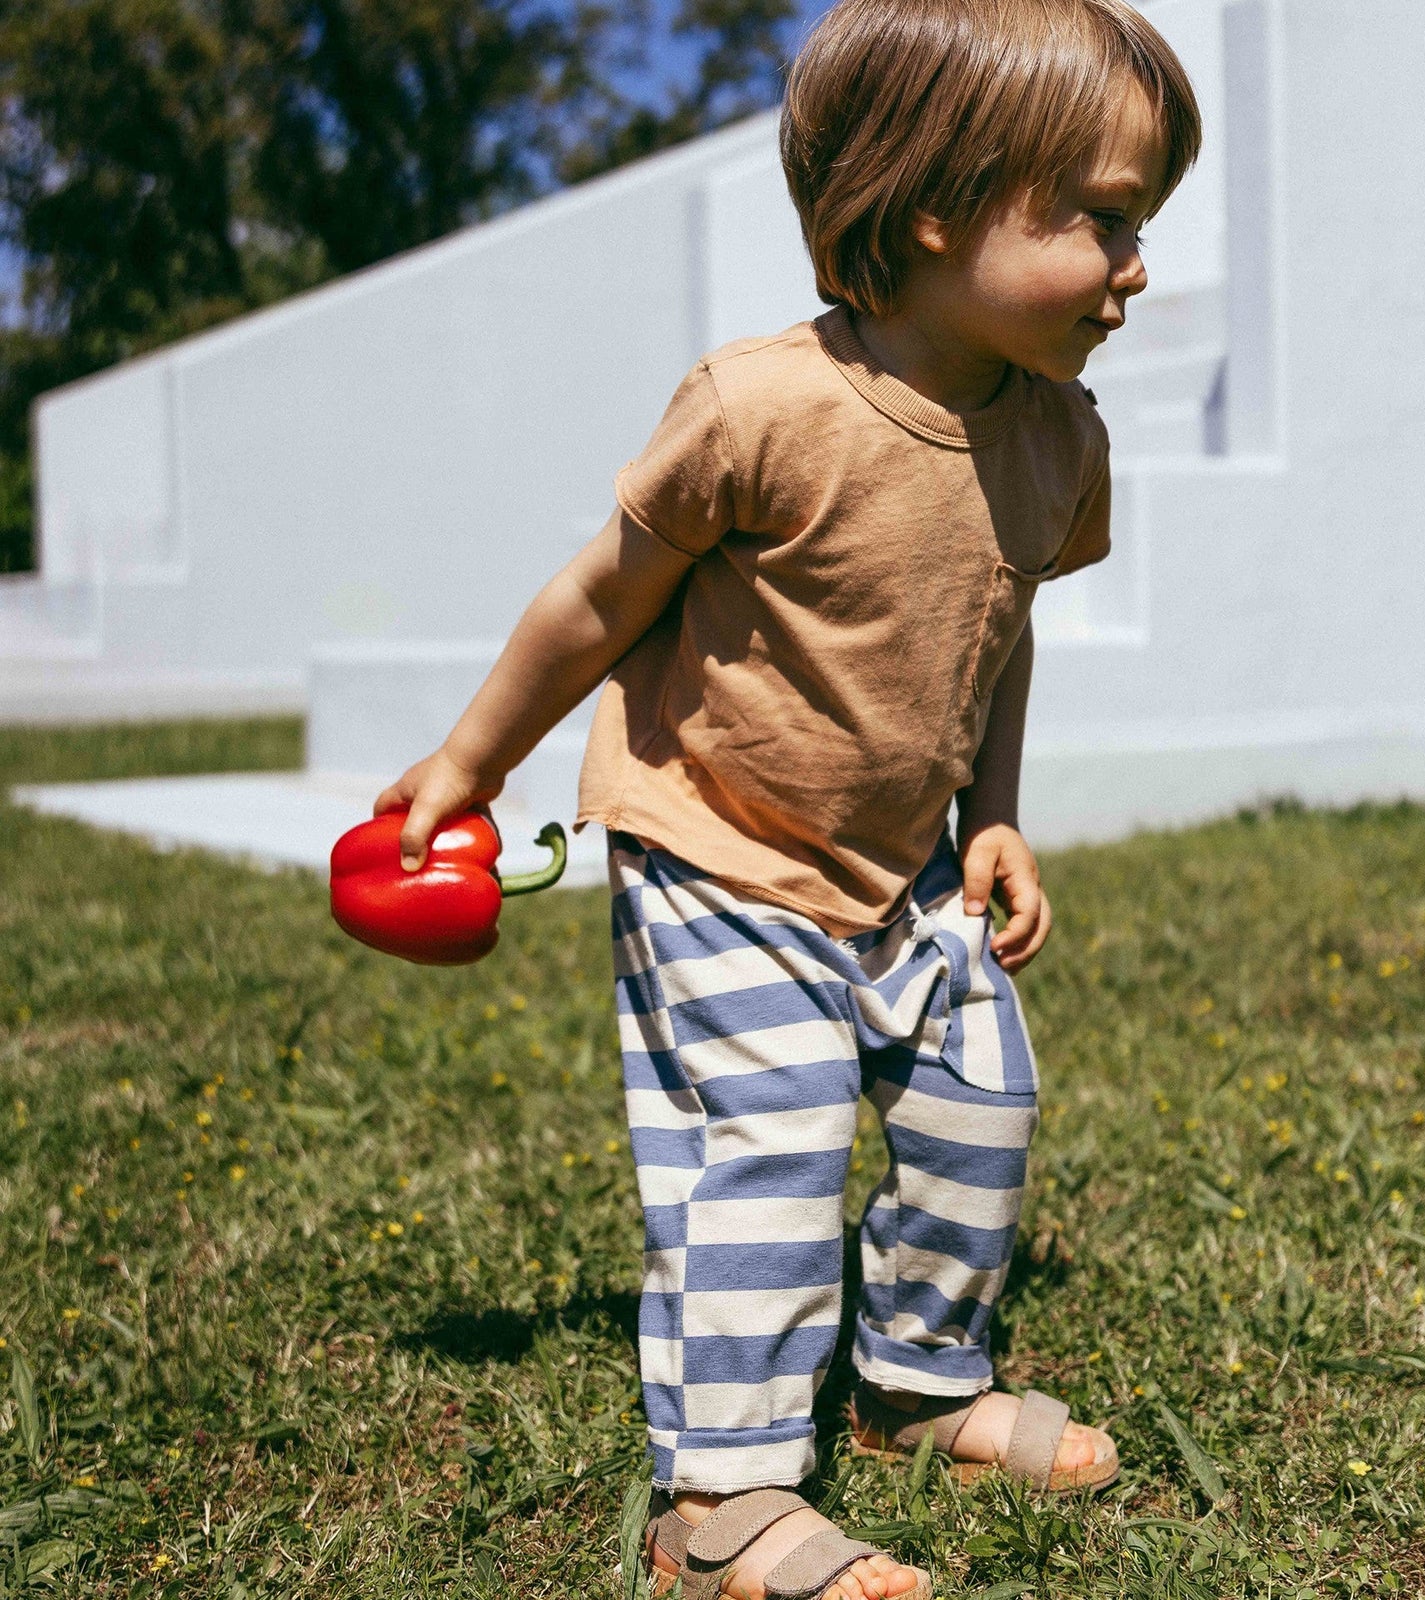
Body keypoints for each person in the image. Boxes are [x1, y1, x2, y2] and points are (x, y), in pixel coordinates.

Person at [374, 0, 1200, 1593]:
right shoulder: (765, 406)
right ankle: (724, 1503)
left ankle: (913, 1384)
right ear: (940, 201)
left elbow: (998, 630)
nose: (1136, 266)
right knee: (777, 1130)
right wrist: (476, 761)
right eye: (1103, 216)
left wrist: (993, 818)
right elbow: (593, 602)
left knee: (983, 1106)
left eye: (1142, 222)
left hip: (903, 877)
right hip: (718, 850)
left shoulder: (1060, 442)